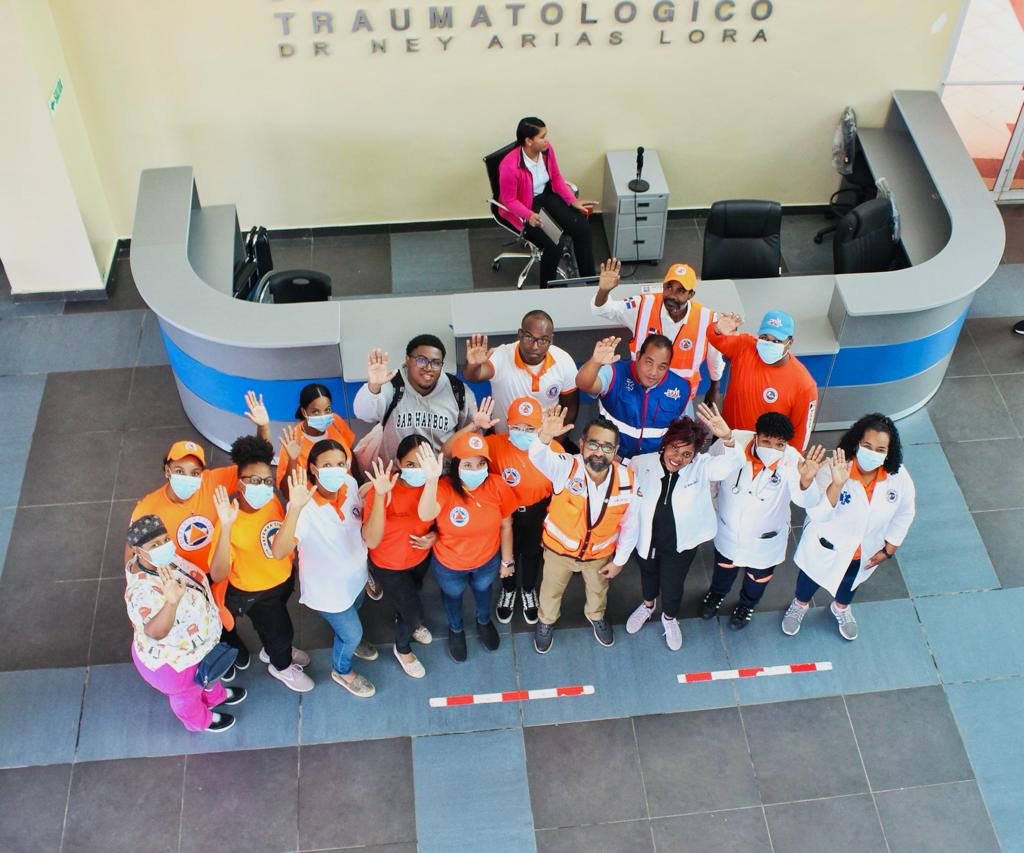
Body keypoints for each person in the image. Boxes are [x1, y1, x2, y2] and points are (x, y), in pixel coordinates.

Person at [129, 390, 272, 674]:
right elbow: (134, 547)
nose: (189, 478)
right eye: (180, 470)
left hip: (219, 568)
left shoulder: (213, 481)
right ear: (167, 470)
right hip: (183, 578)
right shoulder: (148, 507)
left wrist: (263, 427)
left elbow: (256, 466)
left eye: (195, 472)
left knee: (224, 613)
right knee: (197, 618)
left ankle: (230, 643)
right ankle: (217, 655)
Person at [782, 413, 916, 641]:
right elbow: (818, 514)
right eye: (868, 446)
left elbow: (905, 511)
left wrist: (890, 548)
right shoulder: (832, 469)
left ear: (889, 452)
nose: (873, 453)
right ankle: (799, 605)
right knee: (809, 580)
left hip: (864, 552)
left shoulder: (898, 476)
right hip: (826, 546)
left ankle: (841, 608)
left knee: (850, 584)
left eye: (880, 449)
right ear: (857, 442)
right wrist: (837, 484)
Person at [624, 405, 744, 650]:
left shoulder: (702, 466)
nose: (678, 458)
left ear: (695, 455)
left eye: (687, 454)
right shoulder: (640, 463)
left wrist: (728, 438)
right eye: (674, 448)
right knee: (648, 576)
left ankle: (669, 618)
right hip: (646, 539)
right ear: (665, 444)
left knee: (673, 584)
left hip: (680, 544)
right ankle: (647, 606)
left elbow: (732, 464)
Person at [269, 441, 382, 697]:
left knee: (356, 609)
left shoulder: (349, 484)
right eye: (327, 465)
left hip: (357, 578)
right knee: (352, 633)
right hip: (329, 592)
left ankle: (348, 641)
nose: (336, 470)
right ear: (313, 468)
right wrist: (295, 509)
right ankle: (342, 670)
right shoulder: (304, 507)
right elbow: (279, 551)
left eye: (340, 464)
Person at [700, 412, 826, 630]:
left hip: (766, 538)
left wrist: (806, 481)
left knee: (757, 577)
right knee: (724, 567)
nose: (772, 449)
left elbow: (806, 501)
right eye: (766, 441)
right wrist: (711, 506)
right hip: (728, 529)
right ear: (755, 436)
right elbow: (709, 472)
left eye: (779, 445)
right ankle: (716, 595)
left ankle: (747, 605)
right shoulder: (733, 440)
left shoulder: (794, 461)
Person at [528, 407, 639, 652]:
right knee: (550, 591)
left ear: (615, 451)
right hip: (559, 553)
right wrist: (545, 437)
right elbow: (538, 457)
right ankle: (546, 621)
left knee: (598, 591)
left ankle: (596, 616)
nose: (599, 452)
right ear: (581, 444)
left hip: (598, 557)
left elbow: (631, 524)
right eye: (594, 444)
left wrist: (619, 561)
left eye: (607, 447)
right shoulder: (565, 468)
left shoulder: (628, 480)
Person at [210, 436, 313, 692]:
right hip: (254, 592)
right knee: (281, 631)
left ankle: (272, 649)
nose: (263, 486)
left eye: (267, 481)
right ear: (240, 483)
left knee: (272, 626)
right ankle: (281, 666)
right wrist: (226, 528)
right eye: (254, 481)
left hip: (281, 579)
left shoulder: (270, 501)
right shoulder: (229, 519)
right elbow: (218, 573)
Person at [125, 515, 243, 733]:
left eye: (165, 540)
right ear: (138, 551)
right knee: (187, 696)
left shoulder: (163, 561)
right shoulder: (140, 591)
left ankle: (214, 696)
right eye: (155, 545)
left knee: (207, 677)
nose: (163, 546)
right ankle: (201, 720)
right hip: (176, 664)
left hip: (199, 649)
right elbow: (155, 632)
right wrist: (171, 602)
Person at [416, 434, 517, 662]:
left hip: (487, 561)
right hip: (449, 564)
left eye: (481, 464)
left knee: (483, 589)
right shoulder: (443, 488)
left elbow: (506, 525)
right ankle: (456, 628)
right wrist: (431, 481)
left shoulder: (497, 486)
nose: (476, 470)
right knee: (452, 595)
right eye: (468, 465)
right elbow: (425, 514)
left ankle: (483, 621)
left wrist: (507, 561)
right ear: (456, 466)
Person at [279, 384, 378, 600]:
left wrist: (358, 482)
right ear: (304, 411)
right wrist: (293, 459)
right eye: (315, 411)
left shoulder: (336, 422)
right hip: (319, 501)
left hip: (347, 492)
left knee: (358, 534)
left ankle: (363, 571)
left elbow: (349, 452)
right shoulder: (294, 442)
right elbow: (286, 489)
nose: (323, 415)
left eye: (327, 409)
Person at [592, 257, 725, 409]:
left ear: (691, 294)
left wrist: (714, 387)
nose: (672, 295)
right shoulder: (642, 306)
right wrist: (604, 290)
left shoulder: (707, 319)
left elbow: (715, 358)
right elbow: (604, 310)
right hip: (640, 390)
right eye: (669, 287)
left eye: (681, 290)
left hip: (678, 395)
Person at [364, 434, 438, 679]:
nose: (417, 470)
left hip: (419, 558)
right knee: (414, 613)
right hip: (389, 565)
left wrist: (434, 536)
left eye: (423, 464)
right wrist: (379, 496)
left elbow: (440, 520)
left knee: (412, 594)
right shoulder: (384, 489)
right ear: (398, 463)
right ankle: (403, 648)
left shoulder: (434, 485)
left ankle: (403, 616)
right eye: (410, 464)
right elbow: (371, 539)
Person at [487, 397, 563, 624]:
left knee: (532, 554)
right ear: (507, 424)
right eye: (517, 427)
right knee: (506, 553)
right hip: (504, 514)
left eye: (529, 428)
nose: (523, 433)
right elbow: (462, 455)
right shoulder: (493, 445)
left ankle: (528, 589)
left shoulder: (554, 449)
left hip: (537, 512)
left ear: (541, 426)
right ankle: (508, 589)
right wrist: (475, 427)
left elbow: (561, 491)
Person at [497, 116, 596, 287]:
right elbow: (509, 200)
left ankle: (590, 282)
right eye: (542, 137)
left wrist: (572, 201)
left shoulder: (547, 150)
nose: (547, 140)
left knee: (582, 227)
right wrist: (528, 214)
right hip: (526, 205)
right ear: (529, 141)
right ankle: (549, 290)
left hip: (546, 195)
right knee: (555, 242)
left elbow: (556, 177)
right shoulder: (509, 166)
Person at [353, 334, 478, 464]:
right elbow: (363, 414)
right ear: (407, 359)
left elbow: (470, 436)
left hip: (442, 472)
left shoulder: (457, 390)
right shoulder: (393, 385)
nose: (428, 368)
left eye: (436, 363)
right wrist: (374, 385)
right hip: (397, 472)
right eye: (421, 360)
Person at [711, 310, 818, 451]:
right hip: (727, 436)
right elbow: (715, 338)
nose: (769, 344)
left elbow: (801, 435)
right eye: (764, 338)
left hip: (764, 450)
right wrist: (718, 328)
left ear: (790, 343)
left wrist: (791, 461)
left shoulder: (804, 385)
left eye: (777, 341)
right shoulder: (745, 347)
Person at [462, 309, 579, 437]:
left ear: (551, 339)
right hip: (503, 439)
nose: (535, 346)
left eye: (543, 340)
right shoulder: (501, 355)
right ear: (520, 334)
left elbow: (570, 409)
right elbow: (473, 376)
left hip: (544, 441)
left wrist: (553, 443)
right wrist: (473, 365)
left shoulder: (563, 361)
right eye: (529, 337)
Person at [576, 334, 691, 460]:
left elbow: (688, 434)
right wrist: (595, 362)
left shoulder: (681, 388)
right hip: (612, 458)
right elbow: (584, 384)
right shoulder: (616, 372)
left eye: (662, 367)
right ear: (638, 356)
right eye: (649, 362)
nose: (653, 372)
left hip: (654, 462)